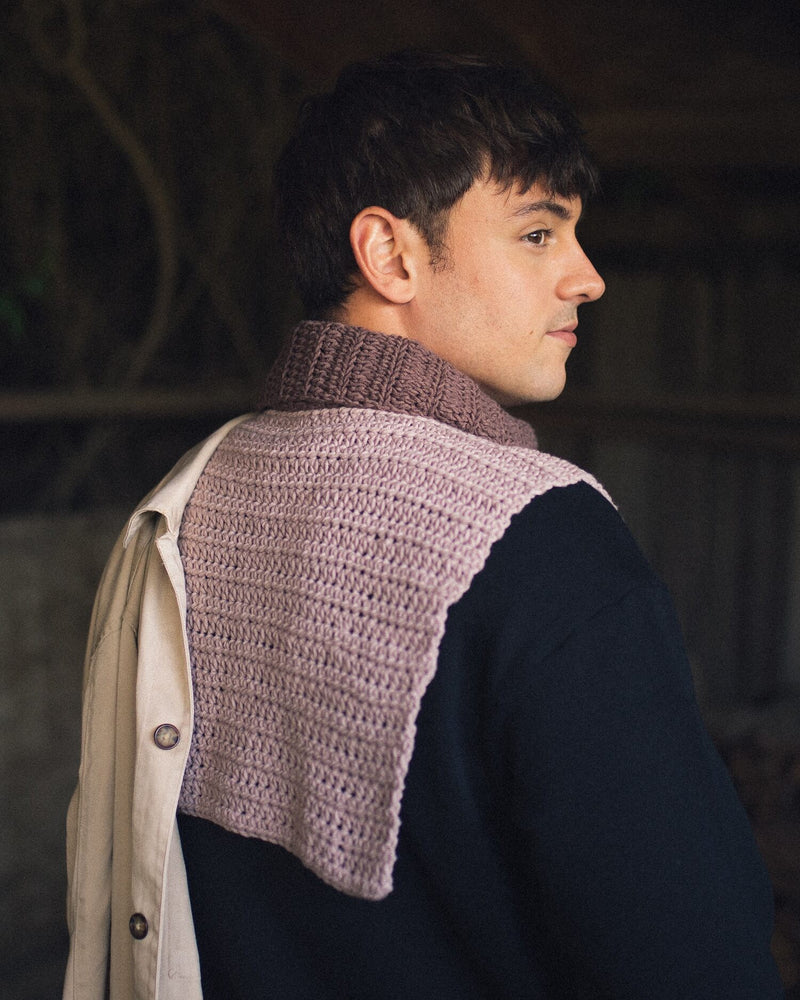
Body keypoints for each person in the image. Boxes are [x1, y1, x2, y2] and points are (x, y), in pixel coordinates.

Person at [63, 50, 783, 1000]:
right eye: (538, 234)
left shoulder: (188, 496)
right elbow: (696, 959)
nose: (588, 277)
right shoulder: (542, 538)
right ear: (391, 255)